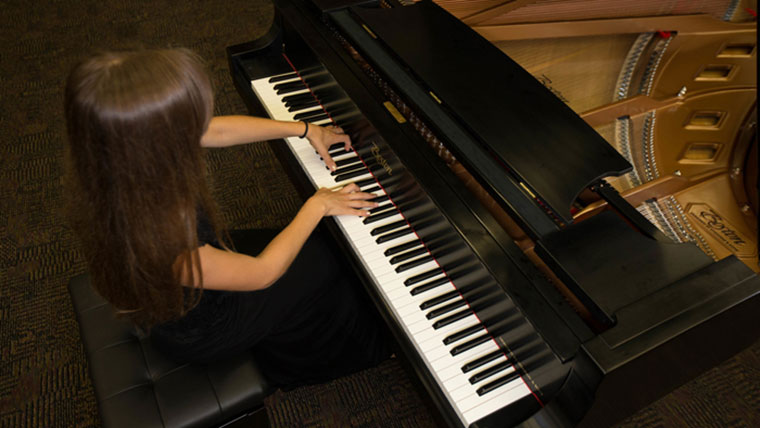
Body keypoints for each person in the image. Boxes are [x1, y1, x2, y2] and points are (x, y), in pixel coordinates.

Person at [65, 48, 391, 388]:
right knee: (336, 257)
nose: (199, 124)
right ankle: (362, 348)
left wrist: (305, 129)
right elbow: (263, 274)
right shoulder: (162, 238)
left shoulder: (119, 159)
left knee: (317, 244)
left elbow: (217, 131)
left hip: (188, 286)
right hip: (207, 328)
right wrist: (318, 205)